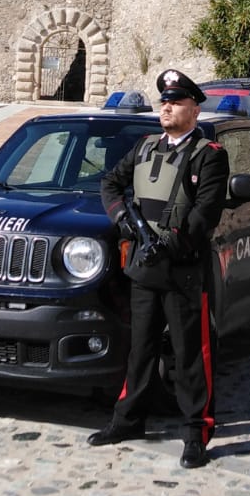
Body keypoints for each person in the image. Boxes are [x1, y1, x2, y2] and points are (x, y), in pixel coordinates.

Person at [90, 69, 230, 468]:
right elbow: (110, 186)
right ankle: (127, 420)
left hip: (182, 271)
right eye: (164, 101)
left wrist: (166, 245)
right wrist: (126, 225)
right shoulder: (145, 146)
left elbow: (205, 215)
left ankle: (196, 433)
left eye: (177, 102)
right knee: (140, 351)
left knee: (190, 357)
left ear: (195, 109)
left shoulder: (209, 155)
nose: (167, 107)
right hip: (142, 268)